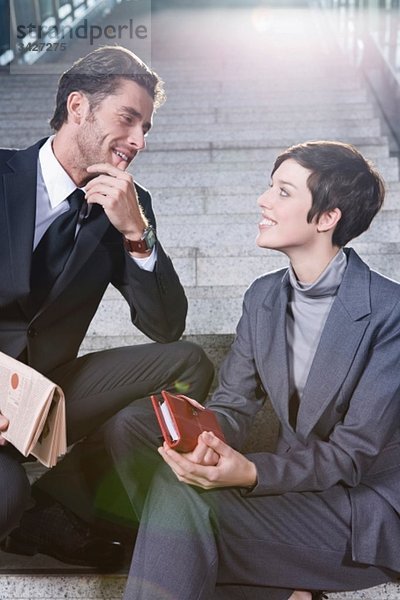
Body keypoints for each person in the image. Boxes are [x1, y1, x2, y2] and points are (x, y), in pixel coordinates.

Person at [118, 141, 400, 599]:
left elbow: (352, 456)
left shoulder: (390, 312)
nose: (263, 200)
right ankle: (283, 591)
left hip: (359, 514)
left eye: (283, 192)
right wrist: (205, 436)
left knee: (176, 502)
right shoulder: (263, 297)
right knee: (140, 436)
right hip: (294, 494)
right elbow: (233, 404)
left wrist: (249, 472)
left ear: (328, 217)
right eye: (270, 187)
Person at [0, 45, 213, 570]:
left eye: (146, 129)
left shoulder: (127, 207)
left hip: (46, 397)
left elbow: (165, 327)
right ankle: (21, 512)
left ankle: (58, 505)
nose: (138, 141)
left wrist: (137, 235)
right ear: (78, 107)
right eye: (128, 119)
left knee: (189, 362)